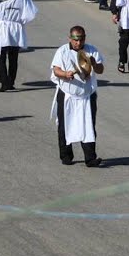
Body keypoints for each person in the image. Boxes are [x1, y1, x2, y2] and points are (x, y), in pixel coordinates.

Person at [50, 25, 104, 167]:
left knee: (89, 126)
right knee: (64, 125)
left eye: (81, 39)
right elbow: (56, 70)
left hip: (87, 96)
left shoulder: (91, 50)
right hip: (67, 95)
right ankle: (66, 155)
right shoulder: (62, 51)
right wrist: (65, 74)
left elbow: (100, 69)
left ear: (85, 38)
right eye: (75, 40)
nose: (78, 43)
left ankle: (90, 158)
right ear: (70, 38)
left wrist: (94, 64)